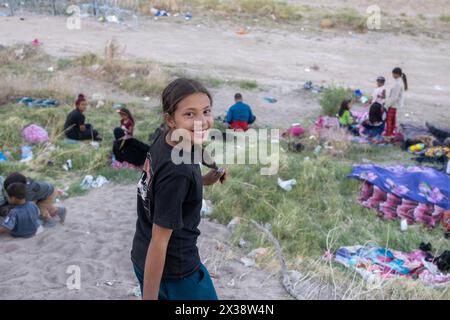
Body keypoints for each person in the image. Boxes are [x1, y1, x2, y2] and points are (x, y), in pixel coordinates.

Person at [131, 78, 227, 300]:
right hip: (174, 271)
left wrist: (210, 173)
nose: (201, 121)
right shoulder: (179, 172)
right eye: (190, 114)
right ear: (170, 119)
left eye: (206, 111)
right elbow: (160, 240)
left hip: (141, 255)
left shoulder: (167, 139)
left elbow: (165, 187)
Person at [385, 67, 408, 137]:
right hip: (396, 104)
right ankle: (391, 133)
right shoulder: (400, 82)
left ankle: (388, 135)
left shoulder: (398, 83)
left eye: (393, 74)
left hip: (393, 104)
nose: (393, 75)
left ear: (397, 74)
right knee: (392, 120)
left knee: (389, 120)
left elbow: (394, 97)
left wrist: (387, 105)